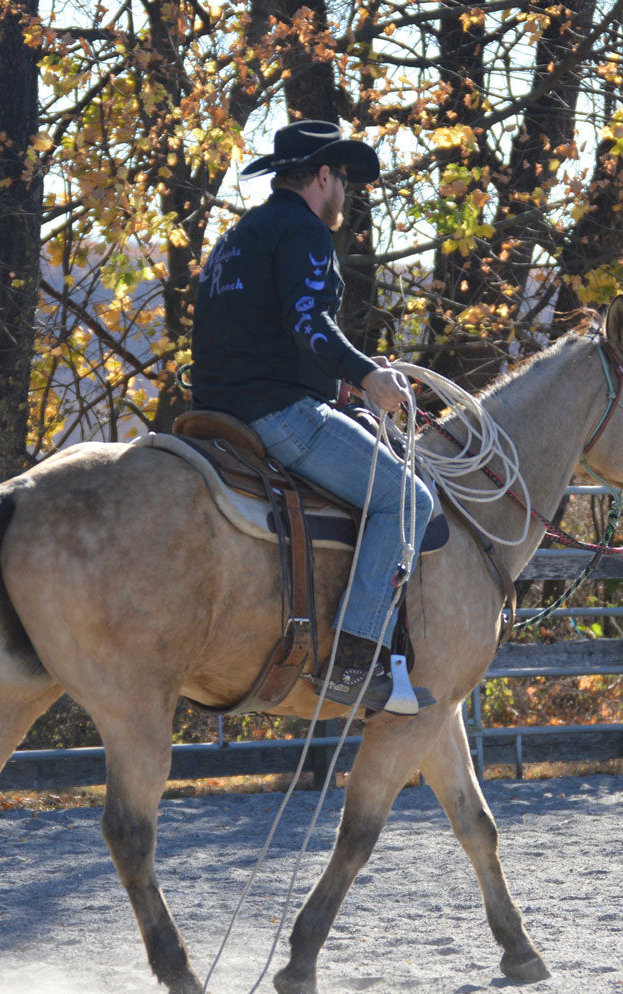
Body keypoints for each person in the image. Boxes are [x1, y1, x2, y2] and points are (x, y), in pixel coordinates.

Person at [190, 119, 434, 713]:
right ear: (324, 176)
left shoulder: (238, 236)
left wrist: (340, 373)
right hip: (278, 416)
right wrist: (367, 375)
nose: (345, 195)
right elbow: (307, 321)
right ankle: (352, 667)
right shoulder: (304, 231)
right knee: (408, 501)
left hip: (215, 414)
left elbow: (264, 333)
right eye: (344, 180)